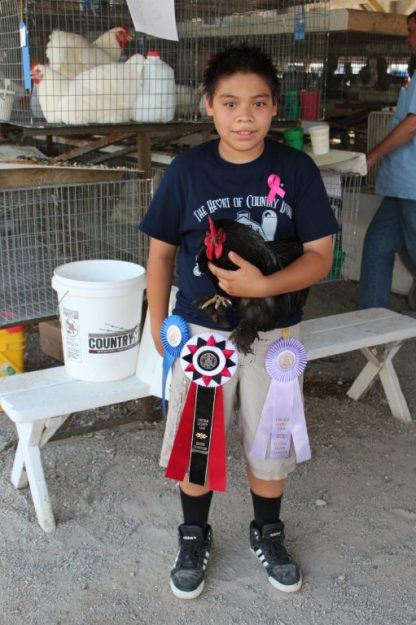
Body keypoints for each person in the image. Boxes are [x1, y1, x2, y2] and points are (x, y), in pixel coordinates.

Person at [139, 43, 339, 600]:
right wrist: (160, 325)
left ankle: (267, 530)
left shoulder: (295, 169)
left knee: (270, 438)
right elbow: (158, 254)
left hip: (275, 331)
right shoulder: (186, 171)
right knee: (198, 442)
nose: (244, 116)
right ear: (209, 107)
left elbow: (319, 255)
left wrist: (262, 285)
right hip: (203, 334)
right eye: (230, 103)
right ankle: (193, 534)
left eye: (257, 103)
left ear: (276, 108)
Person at [359, 12, 416, 310]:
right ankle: (372, 321)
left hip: (413, 183)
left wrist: (372, 156)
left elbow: (411, 125)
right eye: (408, 30)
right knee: (378, 246)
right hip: (401, 184)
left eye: (414, 30)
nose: (409, 37)